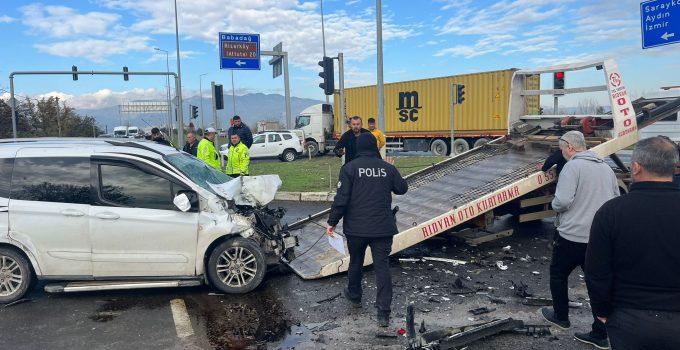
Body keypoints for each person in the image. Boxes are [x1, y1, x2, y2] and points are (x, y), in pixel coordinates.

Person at [585, 137, 680, 350]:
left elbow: (597, 271)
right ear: (673, 168)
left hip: (628, 318)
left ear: (636, 167)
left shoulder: (611, 212)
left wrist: (602, 311)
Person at [540, 130, 619, 349]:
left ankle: (561, 316)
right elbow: (615, 199)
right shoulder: (606, 168)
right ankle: (600, 333)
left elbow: (562, 201)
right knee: (596, 283)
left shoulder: (572, 167)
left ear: (570, 147)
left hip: (572, 235)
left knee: (558, 274)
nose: (561, 151)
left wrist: (554, 205)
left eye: (561, 147)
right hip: (599, 239)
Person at [326, 132, 408, 328]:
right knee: (382, 267)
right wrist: (394, 168)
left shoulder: (349, 168)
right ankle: (383, 313)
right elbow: (402, 188)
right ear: (376, 148)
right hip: (382, 228)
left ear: (358, 147)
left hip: (356, 228)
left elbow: (342, 199)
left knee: (356, 261)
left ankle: (354, 296)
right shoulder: (387, 168)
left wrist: (332, 221)